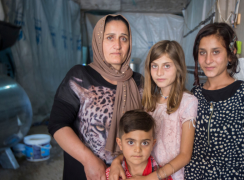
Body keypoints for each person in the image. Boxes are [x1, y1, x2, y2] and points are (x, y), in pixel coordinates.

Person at [48, 14, 142, 180]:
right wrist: (88, 159)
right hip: (83, 173)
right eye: (110, 37)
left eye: (124, 38)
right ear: (99, 41)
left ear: (130, 43)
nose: (117, 45)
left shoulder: (139, 82)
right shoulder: (80, 75)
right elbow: (57, 124)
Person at [109, 40, 198, 180]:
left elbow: (185, 155)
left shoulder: (188, 102)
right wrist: (116, 161)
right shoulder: (149, 102)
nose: (159, 72)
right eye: (154, 66)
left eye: (167, 66)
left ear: (179, 67)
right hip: (145, 171)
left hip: (171, 176)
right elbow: (139, 143)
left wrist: (150, 178)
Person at [184, 23, 244, 180]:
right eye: (202, 52)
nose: (208, 60)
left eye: (216, 52)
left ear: (230, 54)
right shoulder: (194, 96)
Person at [105, 109, 173, 180]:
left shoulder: (163, 176)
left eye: (144, 143)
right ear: (120, 143)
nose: (138, 150)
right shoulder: (111, 175)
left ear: (152, 144)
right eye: (131, 142)